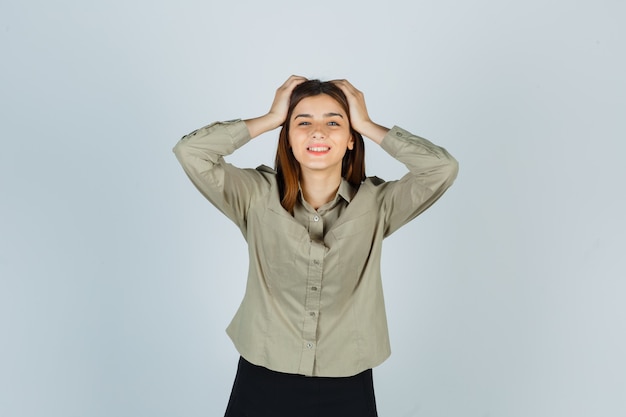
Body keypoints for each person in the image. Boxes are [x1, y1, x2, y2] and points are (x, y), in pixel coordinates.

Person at [173, 75, 458, 417]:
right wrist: (270, 118)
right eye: (303, 122)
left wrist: (366, 123)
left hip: (346, 381)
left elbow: (441, 168)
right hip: (263, 375)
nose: (318, 132)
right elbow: (191, 152)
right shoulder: (254, 195)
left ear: (351, 139)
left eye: (334, 122)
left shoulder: (378, 204)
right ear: (288, 138)